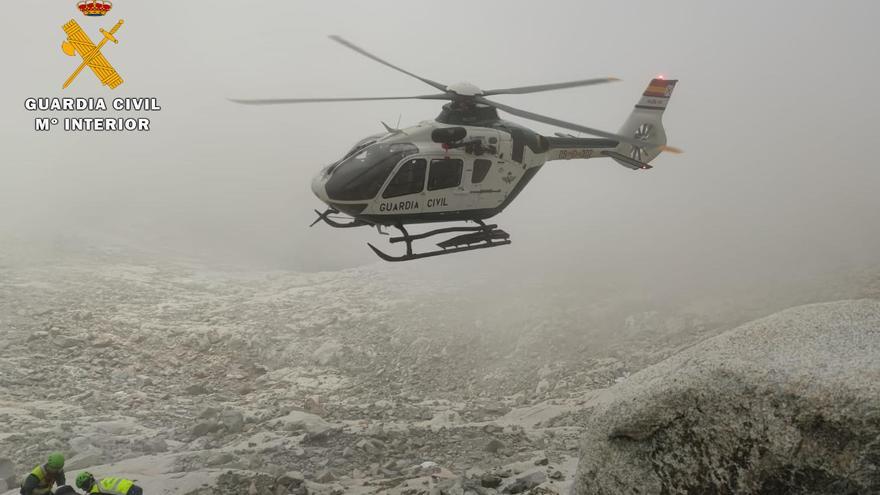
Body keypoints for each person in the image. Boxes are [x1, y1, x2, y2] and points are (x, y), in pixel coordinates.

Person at [74, 472, 143, 495]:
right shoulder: (101, 481)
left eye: (83, 487)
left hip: (129, 493)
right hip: (134, 488)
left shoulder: (95, 491)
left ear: (86, 484)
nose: (83, 490)